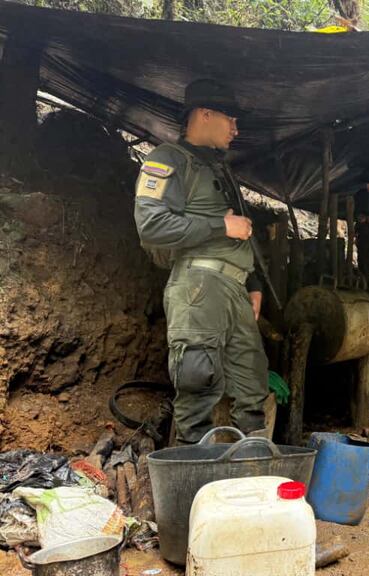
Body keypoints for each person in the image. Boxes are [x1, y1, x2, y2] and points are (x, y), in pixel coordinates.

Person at [134, 79, 269, 444]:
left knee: (252, 383)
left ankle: (248, 471)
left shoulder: (219, 169)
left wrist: (252, 284)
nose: (237, 129)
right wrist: (219, 225)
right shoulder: (167, 160)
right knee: (198, 383)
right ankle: (191, 485)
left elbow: (240, 231)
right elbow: (151, 225)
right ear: (205, 114)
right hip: (199, 286)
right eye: (232, 119)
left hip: (235, 289)